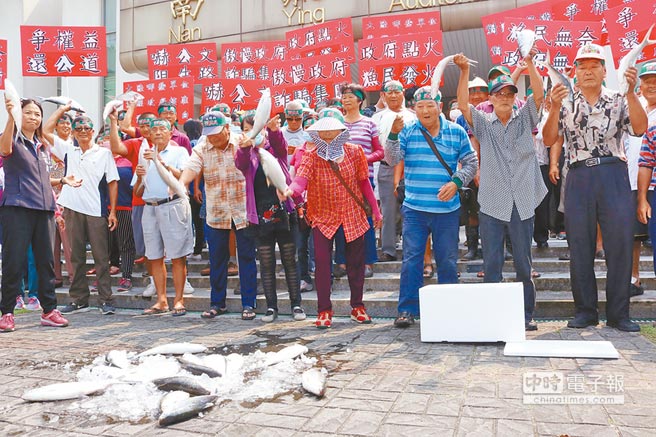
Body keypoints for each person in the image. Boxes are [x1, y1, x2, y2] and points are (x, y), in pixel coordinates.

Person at [543, 43, 647, 332]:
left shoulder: (619, 98)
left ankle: (619, 314)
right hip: (577, 178)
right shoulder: (563, 100)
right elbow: (550, 139)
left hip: (613, 175)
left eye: (593, 66)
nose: (587, 71)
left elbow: (639, 128)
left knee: (620, 246)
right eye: (581, 66)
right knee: (579, 246)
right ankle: (585, 311)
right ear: (574, 72)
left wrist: (630, 92)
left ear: (604, 71)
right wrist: (552, 107)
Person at [456, 49, 545, 331]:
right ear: (491, 99)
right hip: (493, 201)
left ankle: (526, 315)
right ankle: (491, 316)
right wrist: (463, 72)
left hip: (522, 199)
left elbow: (540, 95)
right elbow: (462, 104)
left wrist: (529, 63)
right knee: (492, 263)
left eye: (510, 93)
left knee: (523, 262)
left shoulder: (525, 118)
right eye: (500, 94)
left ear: (515, 97)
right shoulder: (483, 123)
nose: (505, 98)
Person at [386, 86, 478, 328]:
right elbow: (392, 159)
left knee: (447, 260)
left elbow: (471, 162)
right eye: (420, 106)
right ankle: (407, 309)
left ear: (440, 107)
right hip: (415, 209)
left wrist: (456, 181)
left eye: (430, 105)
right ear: (414, 109)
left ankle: (449, 308)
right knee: (412, 259)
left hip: (447, 211)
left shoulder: (456, 132)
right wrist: (393, 135)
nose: (425, 110)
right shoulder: (406, 131)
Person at [287, 109, 382, 329]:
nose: (328, 138)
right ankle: (324, 310)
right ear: (317, 136)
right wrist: (290, 190)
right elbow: (301, 180)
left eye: (333, 134)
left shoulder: (355, 151)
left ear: (342, 133)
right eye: (324, 134)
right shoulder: (311, 154)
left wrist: (376, 211)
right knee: (321, 262)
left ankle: (357, 306)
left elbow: (364, 182)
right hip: (322, 213)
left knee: (356, 263)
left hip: (352, 213)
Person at [180, 111, 258, 320]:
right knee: (217, 260)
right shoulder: (202, 146)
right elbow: (191, 167)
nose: (212, 137)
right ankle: (217, 303)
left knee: (247, 257)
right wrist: (181, 183)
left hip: (242, 209)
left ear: (226, 128)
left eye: (216, 133)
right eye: (209, 134)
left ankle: (249, 303)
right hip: (216, 210)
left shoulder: (242, 140)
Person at [0, 98, 69, 332]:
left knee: (46, 262)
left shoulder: (42, 146)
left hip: (44, 209)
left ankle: (49, 310)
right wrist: (11, 116)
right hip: (17, 208)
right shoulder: (11, 138)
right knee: (14, 262)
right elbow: (4, 149)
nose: (33, 117)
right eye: (27, 113)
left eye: (37, 114)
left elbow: (40, 179)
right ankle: (7, 312)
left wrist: (60, 184)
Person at [43, 109, 119, 316]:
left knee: (101, 257)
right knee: (76, 257)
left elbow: (112, 182)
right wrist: (62, 110)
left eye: (87, 128)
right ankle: (78, 299)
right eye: (79, 128)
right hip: (72, 209)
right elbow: (46, 130)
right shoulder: (68, 150)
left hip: (96, 210)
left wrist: (112, 212)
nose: (83, 131)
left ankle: (105, 299)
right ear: (74, 133)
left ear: (93, 131)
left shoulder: (103, 153)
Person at [235, 114, 306, 322]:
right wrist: (246, 146)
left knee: (289, 261)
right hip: (259, 216)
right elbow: (241, 163)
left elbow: (280, 144)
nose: (253, 133)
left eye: (257, 129)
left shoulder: (275, 151)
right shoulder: (246, 153)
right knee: (266, 263)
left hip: (284, 213)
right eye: (249, 130)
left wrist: (274, 129)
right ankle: (271, 307)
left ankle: (296, 305)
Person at [133, 118, 192, 316]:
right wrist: (140, 176)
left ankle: (179, 300)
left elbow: (183, 176)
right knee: (154, 256)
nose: (157, 132)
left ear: (170, 133)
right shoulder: (144, 154)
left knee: (177, 256)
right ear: (148, 134)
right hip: (150, 208)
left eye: (162, 129)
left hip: (173, 205)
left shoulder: (179, 152)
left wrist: (161, 163)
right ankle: (161, 300)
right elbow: (138, 192)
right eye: (154, 129)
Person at [334, 83, 384, 278]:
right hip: (338, 180)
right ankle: (342, 262)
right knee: (339, 221)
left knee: (365, 220)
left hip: (364, 178)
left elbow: (380, 152)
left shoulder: (369, 123)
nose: (346, 99)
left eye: (350, 96)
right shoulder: (337, 123)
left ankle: (367, 261)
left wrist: (362, 158)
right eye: (343, 96)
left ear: (360, 100)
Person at [373, 80, 417, 263]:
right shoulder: (376, 118)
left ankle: (412, 247)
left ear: (403, 93)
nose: (392, 95)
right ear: (383, 95)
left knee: (412, 210)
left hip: (412, 167)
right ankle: (388, 249)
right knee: (388, 211)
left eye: (396, 91)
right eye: (388, 92)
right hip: (386, 167)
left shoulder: (414, 116)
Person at [635, 61, 656, 293]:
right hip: (652, 191)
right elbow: (646, 161)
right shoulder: (638, 112)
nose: (651, 85)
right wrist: (642, 198)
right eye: (647, 81)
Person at [120, 101, 192, 155]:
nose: (168, 116)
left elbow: (187, 161)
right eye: (165, 113)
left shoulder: (182, 138)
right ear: (159, 116)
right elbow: (125, 128)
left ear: (176, 116)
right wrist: (131, 107)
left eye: (171, 113)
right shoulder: (148, 131)